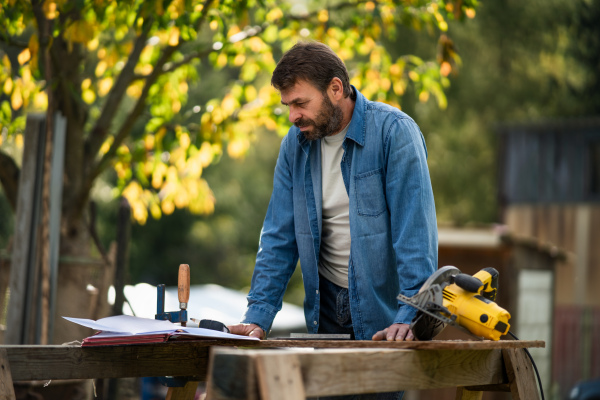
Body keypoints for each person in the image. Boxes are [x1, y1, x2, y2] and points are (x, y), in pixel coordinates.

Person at [229, 41, 437, 349]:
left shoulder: (394, 133)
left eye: (300, 103)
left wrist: (411, 314)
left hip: (386, 316)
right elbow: (278, 238)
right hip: (323, 312)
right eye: (288, 105)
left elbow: (415, 234)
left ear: (336, 88)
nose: (293, 116)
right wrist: (258, 316)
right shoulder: (294, 146)